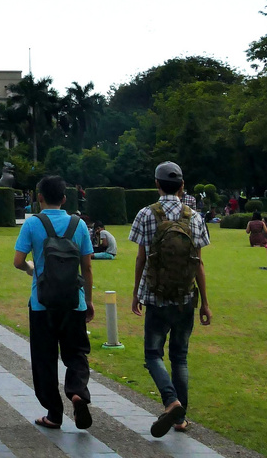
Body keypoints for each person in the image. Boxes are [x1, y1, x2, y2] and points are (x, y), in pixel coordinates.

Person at [129, 160, 211, 437]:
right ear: (182, 186)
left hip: (155, 296)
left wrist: (136, 293)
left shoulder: (146, 214)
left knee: (153, 354)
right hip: (185, 298)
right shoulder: (195, 217)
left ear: (156, 184)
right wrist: (206, 304)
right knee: (180, 357)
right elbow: (198, 262)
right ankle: (180, 418)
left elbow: (141, 258)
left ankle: (170, 401)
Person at [14, 175, 94, 431]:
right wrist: (89, 300)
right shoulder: (78, 224)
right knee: (77, 353)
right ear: (64, 198)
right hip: (74, 302)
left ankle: (54, 413)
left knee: (44, 359)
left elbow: (17, 261)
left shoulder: (33, 224)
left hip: (42, 303)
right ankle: (77, 391)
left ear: (39, 198)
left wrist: (31, 268)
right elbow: (88, 266)